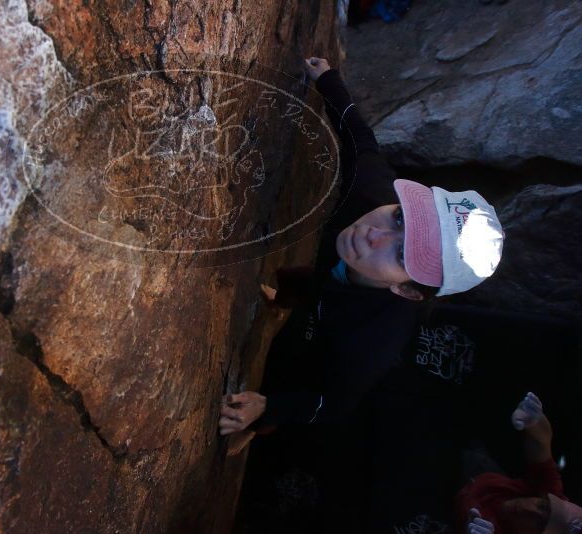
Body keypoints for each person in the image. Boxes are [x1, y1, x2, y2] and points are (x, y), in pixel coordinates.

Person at [219, 56, 505, 449]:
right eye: (401, 219)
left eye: (403, 256)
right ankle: (280, 301)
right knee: (300, 283)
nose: (374, 235)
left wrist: (266, 409)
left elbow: (334, 402)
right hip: (328, 283)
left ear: (407, 291)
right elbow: (359, 141)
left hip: (331, 330)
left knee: (295, 364)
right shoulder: (373, 197)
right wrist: (328, 81)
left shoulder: (373, 341)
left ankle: (258, 428)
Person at [457, 392, 582, 534]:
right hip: (475, 475)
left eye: (539, 524)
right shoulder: (550, 492)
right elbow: (540, 445)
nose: (529, 509)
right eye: (542, 506)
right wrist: (534, 420)